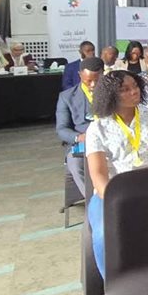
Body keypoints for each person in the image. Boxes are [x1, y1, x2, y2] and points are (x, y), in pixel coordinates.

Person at [85, 69, 148, 278]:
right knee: (104, 234)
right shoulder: (98, 128)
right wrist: (115, 200)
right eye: (125, 90)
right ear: (111, 95)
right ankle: (113, 284)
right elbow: (98, 175)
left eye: (135, 86)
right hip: (113, 193)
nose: (134, 92)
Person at [56, 57, 104, 197]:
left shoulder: (114, 94)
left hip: (108, 140)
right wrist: (79, 137)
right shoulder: (67, 97)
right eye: (88, 81)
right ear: (80, 75)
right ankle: (94, 201)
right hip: (83, 143)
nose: (93, 85)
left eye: (97, 80)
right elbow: (61, 129)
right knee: (76, 164)